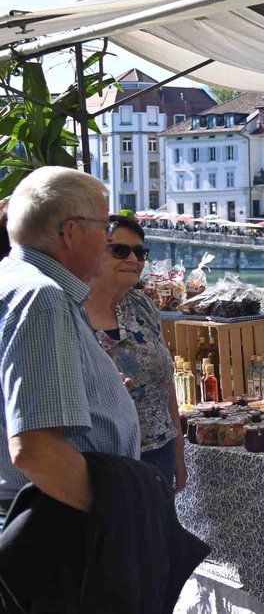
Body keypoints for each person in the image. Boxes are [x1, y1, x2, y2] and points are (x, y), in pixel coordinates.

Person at [0, 167, 141, 525]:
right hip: (59, 524)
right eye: (105, 227)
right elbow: (36, 450)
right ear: (71, 232)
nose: (108, 240)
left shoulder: (14, 282)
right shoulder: (42, 298)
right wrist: (119, 515)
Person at [84, 215, 186, 491]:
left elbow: (165, 382)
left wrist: (177, 447)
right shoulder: (69, 310)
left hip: (157, 452)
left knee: (156, 532)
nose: (133, 259)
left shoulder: (143, 306)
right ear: (93, 251)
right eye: (120, 250)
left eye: (140, 252)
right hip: (99, 459)